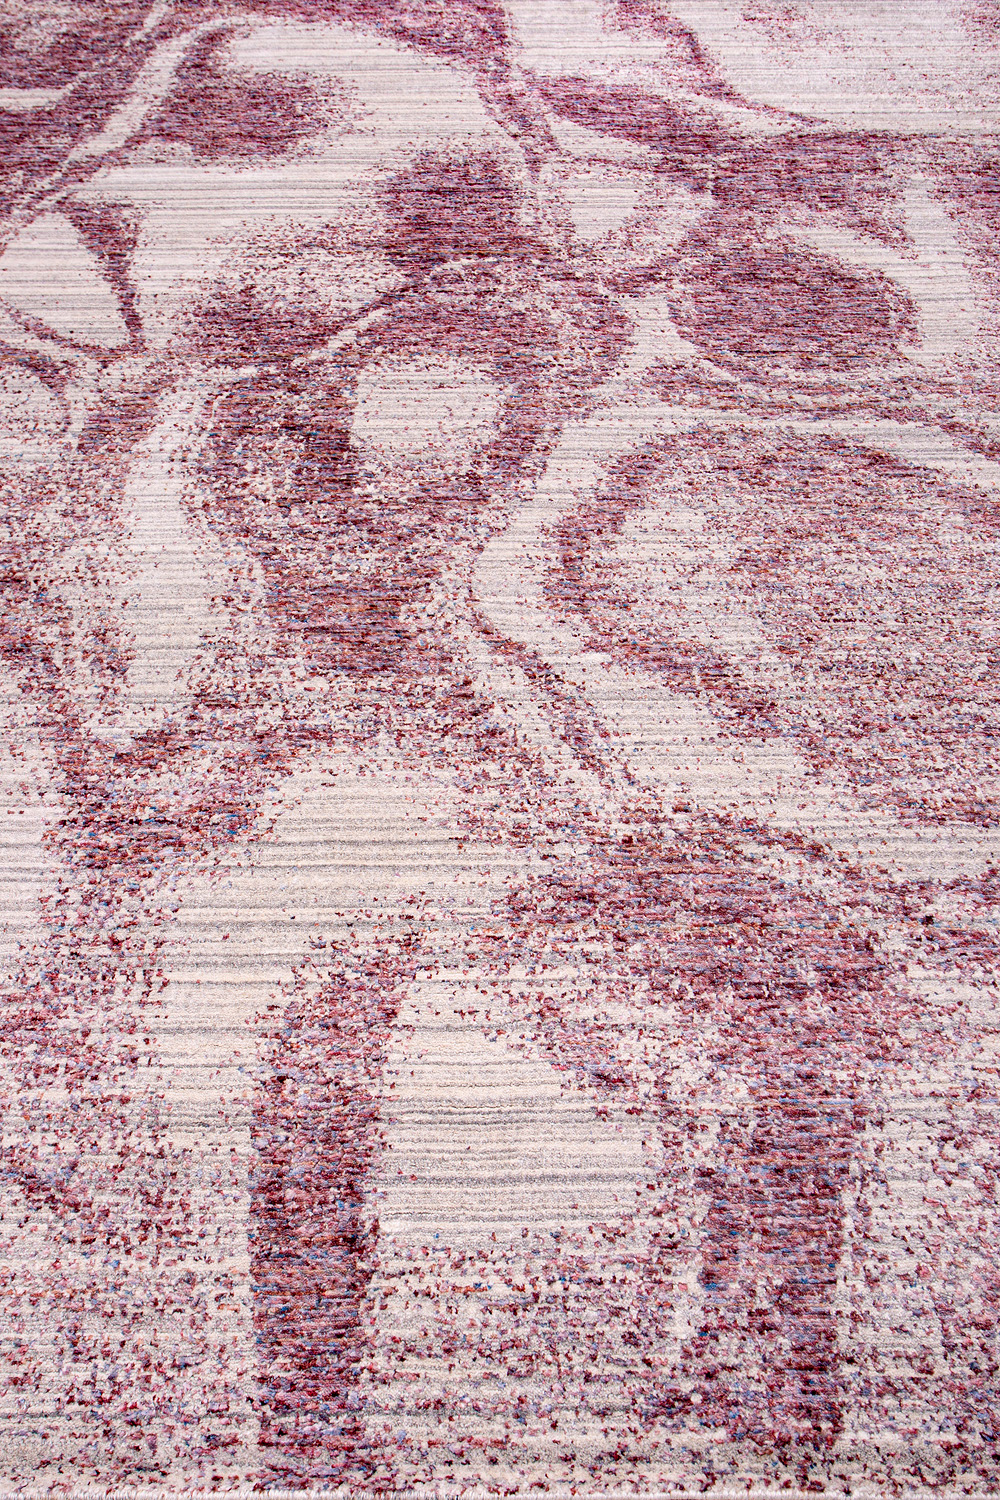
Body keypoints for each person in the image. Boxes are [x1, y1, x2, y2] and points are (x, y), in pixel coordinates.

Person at [0, 0, 998, 1489]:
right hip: (379, 704)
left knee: (761, 997)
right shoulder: (209, 314)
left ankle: (745, 1375)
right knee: (323, 996)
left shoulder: (506, 294)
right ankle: (326, 1432)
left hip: (500, 697)